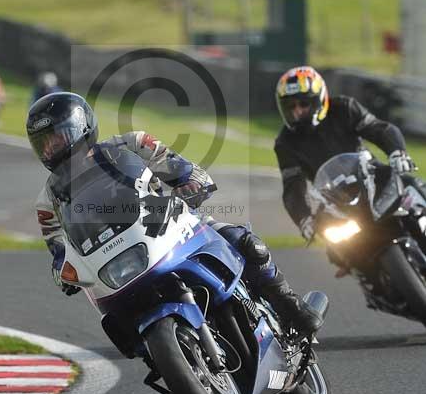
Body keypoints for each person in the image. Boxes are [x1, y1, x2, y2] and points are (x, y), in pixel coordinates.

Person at [26, 92, 322, 336]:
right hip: (113, 259)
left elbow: (177, 166)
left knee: (243, 241)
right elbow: (59, 250)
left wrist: (190, 181)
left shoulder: (131, 144)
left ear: (82, 128)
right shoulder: (48, 200)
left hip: (168, 223)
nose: (52, 148)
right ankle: (193, 379)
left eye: (58, 137)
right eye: (44, 143)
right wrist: (64, 273)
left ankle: (291, 307)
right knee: (118, 324)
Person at [274, 65, 419, 252]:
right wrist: (304, 219)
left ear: (318, 99)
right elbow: (293, 186)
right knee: (336, 250)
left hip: (371, 179)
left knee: (410, 184)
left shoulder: (344, 108)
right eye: (291, 106)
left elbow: (380, 129)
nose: (297, 112)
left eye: (303, 104)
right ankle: (371, 277)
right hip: (335, 202)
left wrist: (397, 152)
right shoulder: (285, 142)